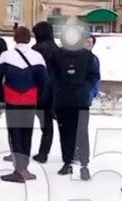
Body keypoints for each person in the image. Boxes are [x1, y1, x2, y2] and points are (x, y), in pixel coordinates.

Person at [0, 26, 48, 183]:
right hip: (30, 100)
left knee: (15, 133)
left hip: (12, 99)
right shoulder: (37, 56)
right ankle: (25, 168)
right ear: (29, 39)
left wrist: (1, 96)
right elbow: (44, 82)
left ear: (14, 38)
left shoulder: (6, 56)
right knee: (27, 133)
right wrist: (38, 97)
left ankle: (19, 170)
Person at [51, 27, 100, 181]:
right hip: (71, 99)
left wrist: (82, 87)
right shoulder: (59, 54)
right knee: (73, 132)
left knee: (72, 132)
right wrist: (81, 87)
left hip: (72, 99)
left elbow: (94, 75)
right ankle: (75, 163)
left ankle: (77, 164)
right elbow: (52, 75)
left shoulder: (83, 55)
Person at [30, 21, 59, 163]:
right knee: (48, 125)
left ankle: (23, 150)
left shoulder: (36, 49)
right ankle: (44, 152)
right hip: (53, 90)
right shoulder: (57, 49)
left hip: (37, 90)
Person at [85, 34, 101, 104]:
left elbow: (97, 77)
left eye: (92, 42)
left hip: (88, 94)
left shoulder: (94, 59)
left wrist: (95, 92)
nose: (90, 44)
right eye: (88, 42)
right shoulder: (75, 58)